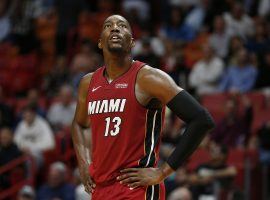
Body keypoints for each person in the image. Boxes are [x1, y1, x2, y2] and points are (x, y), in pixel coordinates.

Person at [71, 15, 215, 199]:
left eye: (122, 26)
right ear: (100, 43)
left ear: (132, 43)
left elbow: (201, 119)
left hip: (136, 189)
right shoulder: (88, 83)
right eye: (108, 25)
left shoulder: (149, 78)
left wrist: (163, 172)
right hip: (101, 189)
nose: (115, 28)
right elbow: (79, 124)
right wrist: (84, 163)